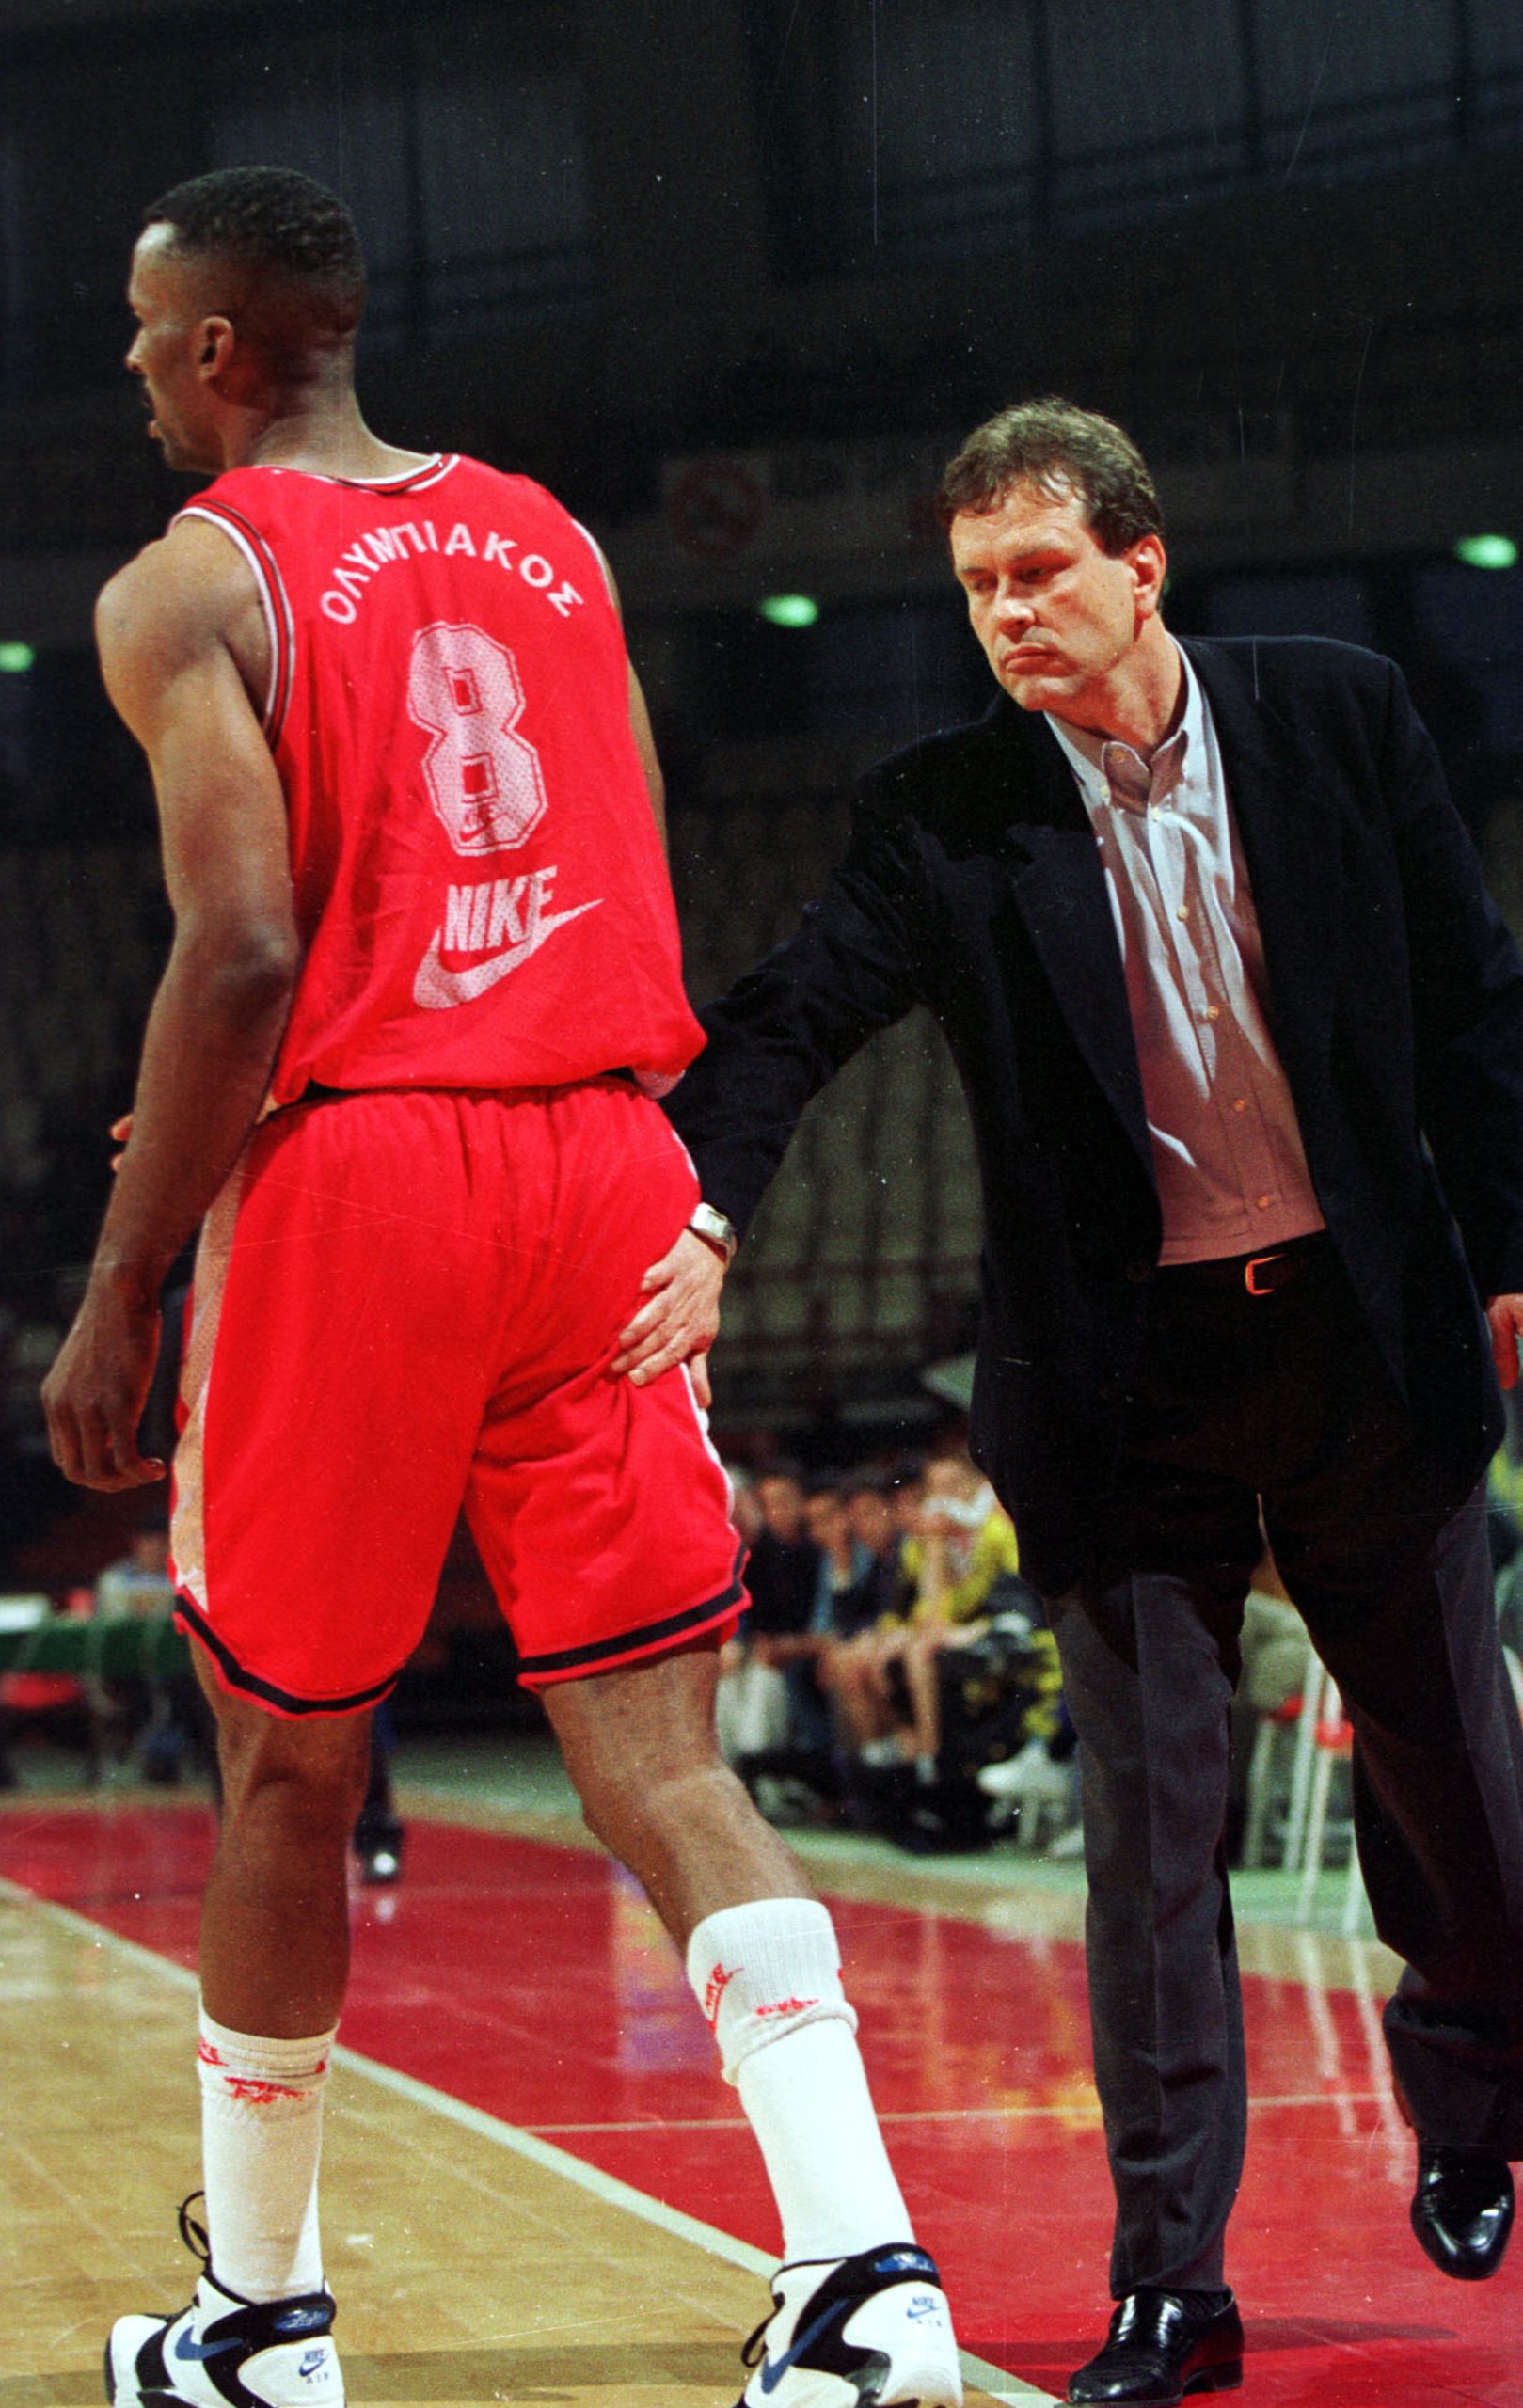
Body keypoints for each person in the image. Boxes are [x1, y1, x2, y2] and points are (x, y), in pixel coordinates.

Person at [40, 168, 961, 2408]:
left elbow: (245, 947)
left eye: (148, 336)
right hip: (602, 1154)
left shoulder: (188, 580)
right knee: (663, 1751)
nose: (135, 371)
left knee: (286, 1759)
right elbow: (616, 859)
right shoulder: (553, 538)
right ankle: (868, 2277)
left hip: (368, 1171)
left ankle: (261, 2321)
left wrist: (126, 1270)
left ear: (221, 345)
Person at [615, 396, 1523, 2403]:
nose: (1008, 614)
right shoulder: (945, 806)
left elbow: (1475, 996)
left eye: (1040, 572)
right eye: (976, 588)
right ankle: (1171, 2284)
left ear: (1142, 562)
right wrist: (706, 1208)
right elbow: (792, 1011)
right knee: (1152, 1842)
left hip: (1363, 1342)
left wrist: (1516, 1249)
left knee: (1461, 1786)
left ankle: (1474, 2095)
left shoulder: (1338, 713)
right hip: (1126, 1388)